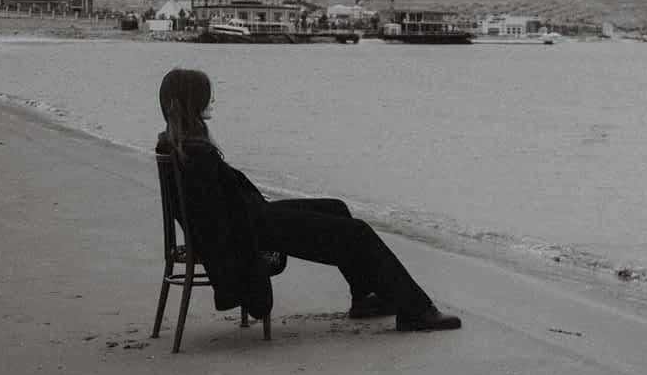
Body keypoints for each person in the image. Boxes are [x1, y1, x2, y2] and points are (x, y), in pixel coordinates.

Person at [155, 67, 461, 332]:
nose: (213, 101)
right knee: (359, 233)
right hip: (253, 227)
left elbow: (222, 208)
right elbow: (226, 221)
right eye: (208, 95)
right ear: (192, 102)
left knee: (336, 208)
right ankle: (416, 311)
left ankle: (366, 298)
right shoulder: (197, 155)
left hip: (253, 218)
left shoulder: (180, 147)